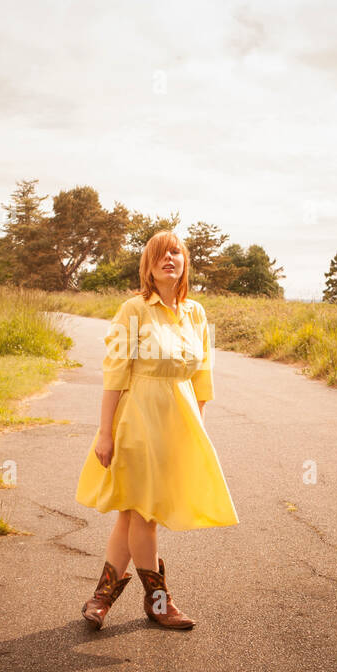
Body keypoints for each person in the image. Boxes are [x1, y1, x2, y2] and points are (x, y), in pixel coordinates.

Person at [74, 231, 239, 630]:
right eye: (160, 254)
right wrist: (105, 432)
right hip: (137, 418)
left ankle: (100, 599)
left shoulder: (196, 313)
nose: (170, 257)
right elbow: (114, 374)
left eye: (177, 252)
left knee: (132, 514)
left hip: (178, 421)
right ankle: (158, 601)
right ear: (148, 266)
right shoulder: (133, 310)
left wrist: (195, 429)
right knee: (142, 513)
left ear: (184, 263)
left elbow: (203, 376)